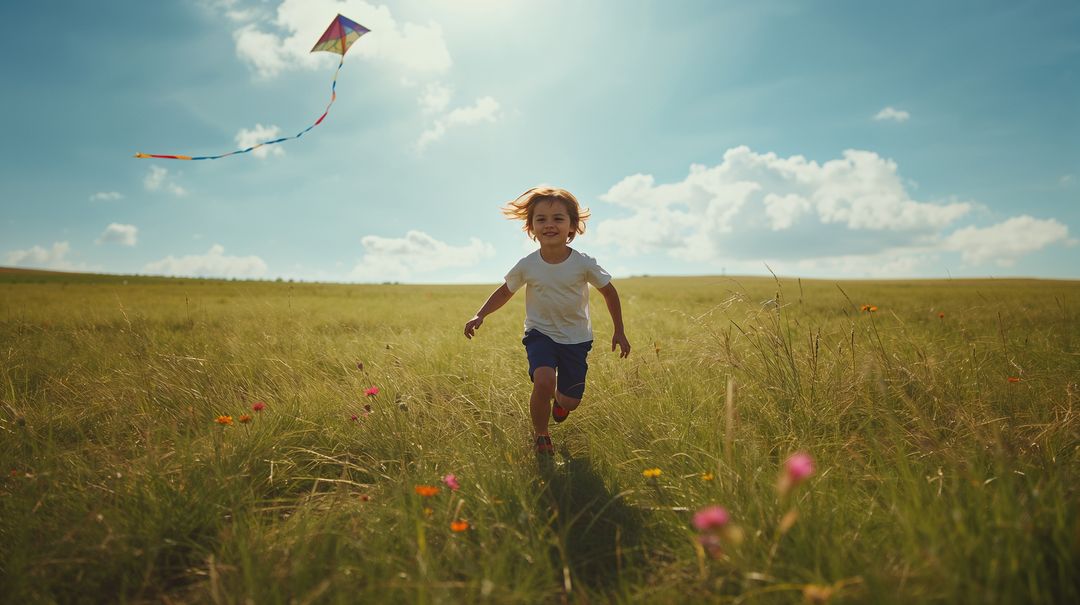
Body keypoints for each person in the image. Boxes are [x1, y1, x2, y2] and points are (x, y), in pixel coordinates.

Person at [463, 186, 631, 456]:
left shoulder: (583, 264)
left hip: (576, 338)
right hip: (540, 333)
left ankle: (561, 404)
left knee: (570, 400)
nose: (549, 225)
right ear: (531, 228)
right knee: (543, 381)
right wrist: (480, 313)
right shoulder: (528, 265)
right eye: (541, 219)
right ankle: (541, 435)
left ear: (572, 226)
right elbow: (505, 291)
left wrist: (619, 331)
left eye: (558, 219)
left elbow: (609, 292)